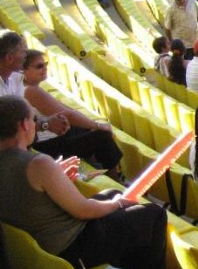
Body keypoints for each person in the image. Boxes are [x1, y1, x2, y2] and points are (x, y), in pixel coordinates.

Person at [0, 95, 168, 269]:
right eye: (34, 119)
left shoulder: (23, 163)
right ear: (23, 125)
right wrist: (117, 204)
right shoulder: (38, 163)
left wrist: (58, 177)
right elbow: (83, 210)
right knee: (154, 213)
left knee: (111, 192)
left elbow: (28, 195)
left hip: (43, 246)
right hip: (72, 247)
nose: (36, 125)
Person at [22, 48, 123, 177]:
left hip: (47, 141)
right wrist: (97, 125)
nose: (44, 68)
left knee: (86, 129)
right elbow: (67, 114)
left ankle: (103, 170)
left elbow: (67, 111)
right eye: (39, 66)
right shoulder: (30, 91)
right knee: (102, 135)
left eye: (45, 64)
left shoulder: (31, 89)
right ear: (24, 71)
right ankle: (115, 178)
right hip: (47, 147)